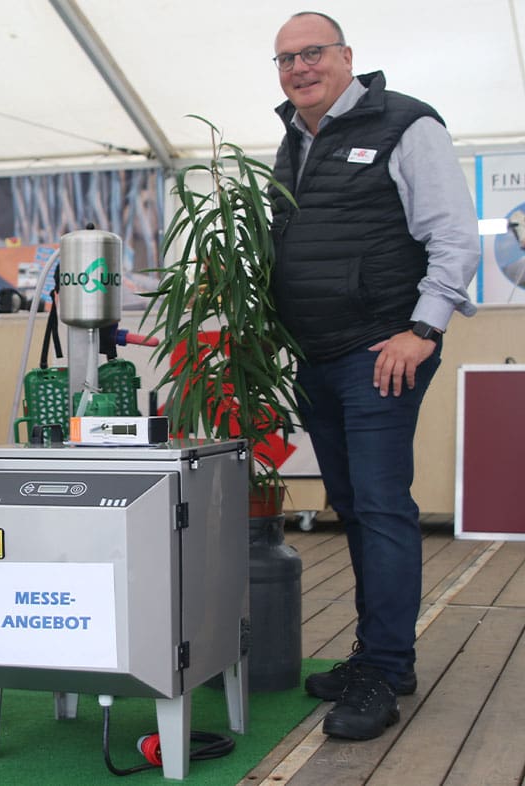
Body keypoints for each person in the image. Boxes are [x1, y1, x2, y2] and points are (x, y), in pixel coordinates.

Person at [269, 12, 478, 741]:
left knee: (382, 505)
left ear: (346, 57)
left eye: (313, 53)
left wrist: (422, 331)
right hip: (318, 356)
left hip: (382, 351)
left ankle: (384, 672)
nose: (300, 68)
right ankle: (379, 656)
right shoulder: (293, 141)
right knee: (352, 505)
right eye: (286, 59)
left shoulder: (406, 123)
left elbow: (452, 232)